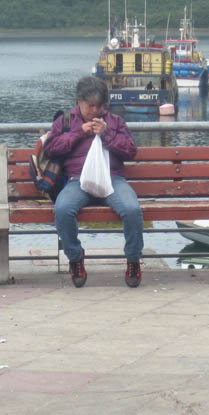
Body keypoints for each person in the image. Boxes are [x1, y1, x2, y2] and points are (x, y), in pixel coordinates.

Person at [44, 75, 143, 288]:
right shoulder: (66, 122)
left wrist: (107, 135)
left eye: (99, 106)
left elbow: (131, 151)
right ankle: (75, 258)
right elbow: (51, 149)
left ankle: (133, 259)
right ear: (79, 102)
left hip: (112, 180)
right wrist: (79, 133)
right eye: (90, 106)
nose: (95, 111)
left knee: (132, 209)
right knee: (62, 209)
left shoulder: (115, 122)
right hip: (77, 181)